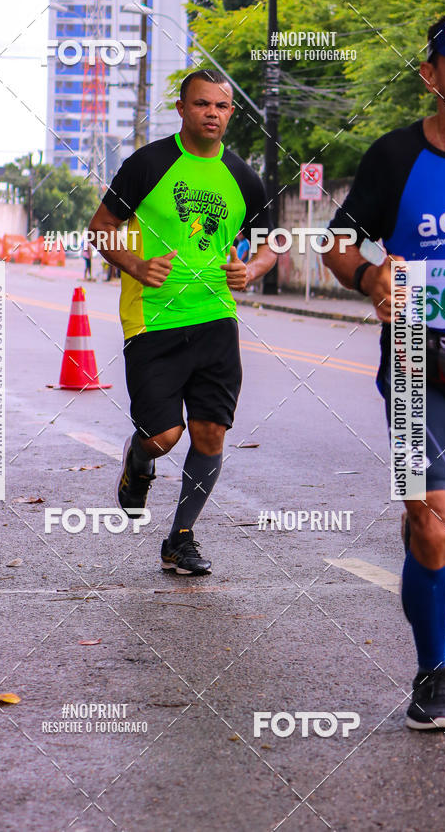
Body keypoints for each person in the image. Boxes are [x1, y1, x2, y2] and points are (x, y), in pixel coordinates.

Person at [323, 7, 445, 731]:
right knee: (434, 528)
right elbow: (336, 244)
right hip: (415, 366)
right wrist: (369, 276)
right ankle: (433, 673)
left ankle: (436, 536)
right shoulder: (396, 157)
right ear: (432, 75)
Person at [89, 68, 276, 575]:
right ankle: (139, 458)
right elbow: (100, 227)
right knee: (164, 435)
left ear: (231, 113)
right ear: (182, 108)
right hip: (152, 320)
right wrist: (135, 265)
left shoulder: (243, 178)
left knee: (210, 433)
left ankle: (181, 537)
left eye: (221, 106)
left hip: (216, 317)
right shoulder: (147, 164)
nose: (211, 113)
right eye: (201, 104)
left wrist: (252, 270)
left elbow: (270, 245)